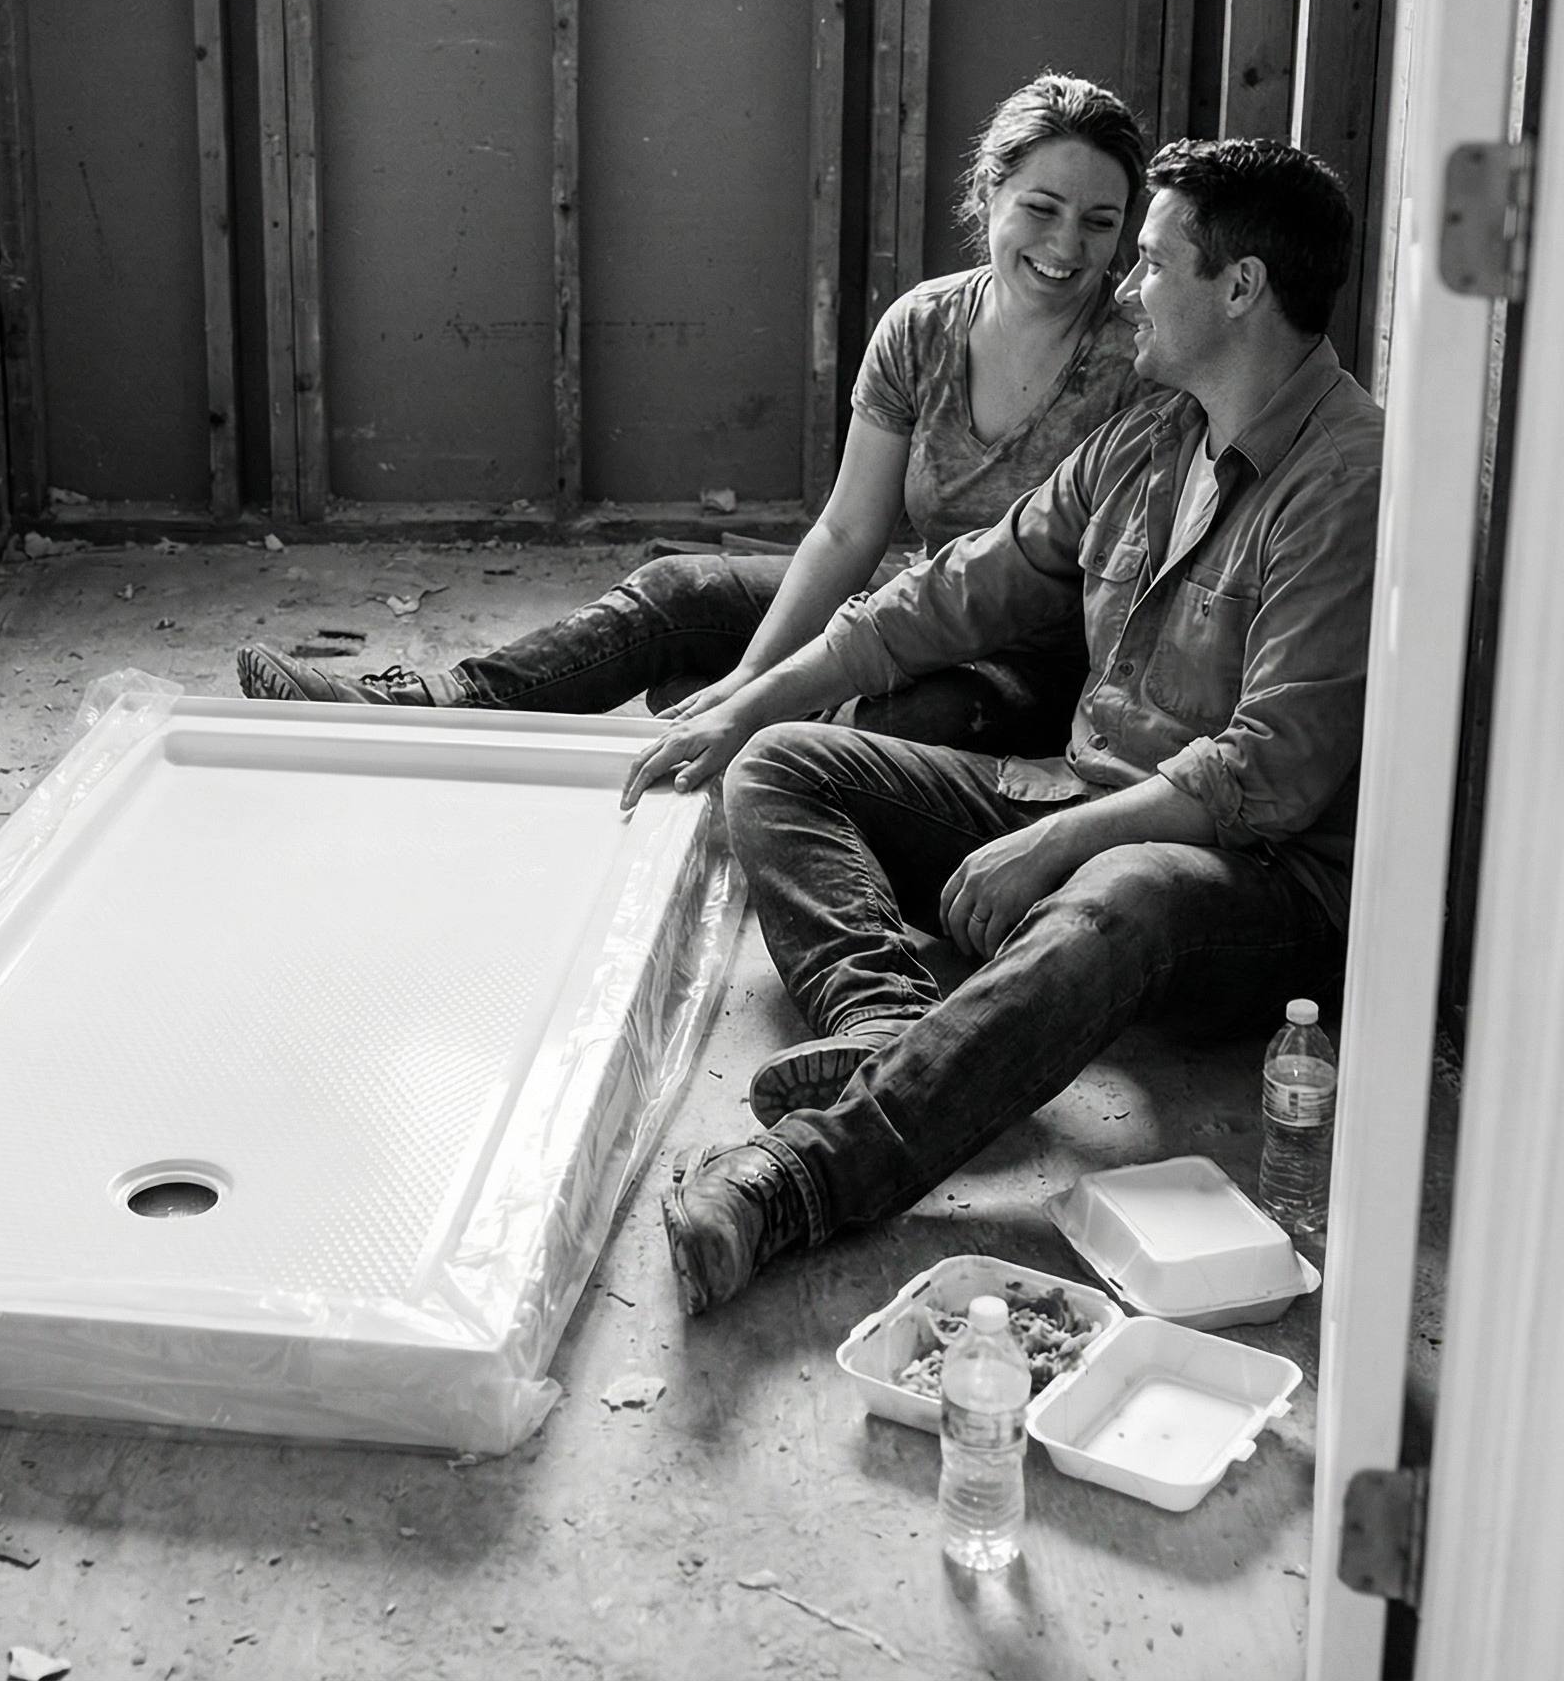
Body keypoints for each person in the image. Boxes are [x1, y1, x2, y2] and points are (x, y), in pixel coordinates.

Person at [619, 137, 1380, 1317]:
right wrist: (744, 701)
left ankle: (804, 1177)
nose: (1120, 285)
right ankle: (892, 1024)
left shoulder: (1345, 478)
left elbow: (1267, 775)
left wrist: (1053, 843)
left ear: (1238, 288)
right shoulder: (1152, 432)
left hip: (1243, 883)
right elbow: (954, 588)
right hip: (1087, 796)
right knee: (779, 766)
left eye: (1148, 260)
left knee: (1124, 883)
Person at [236, 72, 1151, 754]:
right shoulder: (923, 325)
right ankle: (440, 702)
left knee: (895, 722)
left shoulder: (1137, 363)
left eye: (1101, 223)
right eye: (1041, 207)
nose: (1067, 246)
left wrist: (769, 684)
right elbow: (846, 533)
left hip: (1023, 670)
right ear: (988, 193)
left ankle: (758, 726)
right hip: (901, 615)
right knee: (680, 593)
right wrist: (761, 673)